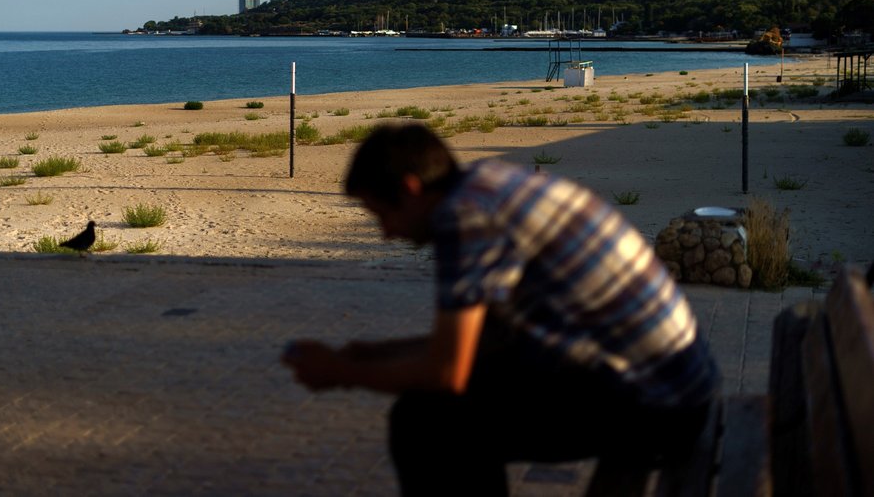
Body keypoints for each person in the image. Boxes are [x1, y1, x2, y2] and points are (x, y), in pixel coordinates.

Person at [282, 123, 720, 496]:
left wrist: (339, 373)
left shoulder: (465, 217)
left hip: (659, 409)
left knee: (427, 424)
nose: (386, 234)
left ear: (410, 189)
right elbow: (487, 342)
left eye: (381, 215)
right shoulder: (488, 183)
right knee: (445, 412)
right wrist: (369, 354)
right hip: (680, 385)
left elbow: (447, 372)